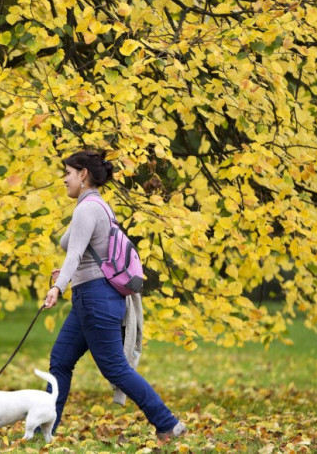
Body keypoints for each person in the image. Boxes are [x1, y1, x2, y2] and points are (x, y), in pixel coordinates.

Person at [43, 150, 186, 442]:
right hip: (92, 297)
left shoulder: (88, 208)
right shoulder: (99, 206)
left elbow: (73, 252)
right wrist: (71, 272)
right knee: (60, 360)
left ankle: (168, 424)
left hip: (95, 298)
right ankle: (42, 430)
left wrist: (59, 286)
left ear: (83, 174)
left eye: (68, 173)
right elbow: (76, 247)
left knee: (114, 368)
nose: (64, 180)